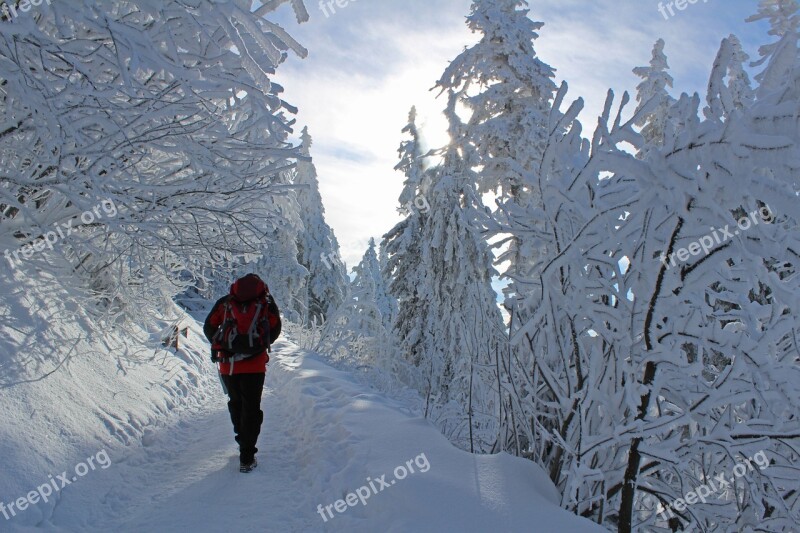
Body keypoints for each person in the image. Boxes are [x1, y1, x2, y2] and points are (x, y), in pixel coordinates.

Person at [203, 273, 281, 473]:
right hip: (255, 366)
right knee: (252, 408)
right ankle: (247, 455)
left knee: (236, 403)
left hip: (228, 364)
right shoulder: (266, 303)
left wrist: (226, 345)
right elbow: (275, 329)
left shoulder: (226, 303)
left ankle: (241, 440)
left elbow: (209, 326)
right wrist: (257, 347)